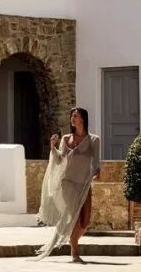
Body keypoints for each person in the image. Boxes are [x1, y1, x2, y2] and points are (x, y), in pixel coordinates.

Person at [33, 107, 101, 263]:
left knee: (85, 222)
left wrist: (97, 172)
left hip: (84, 184)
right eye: (71, 116)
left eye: (75, 116)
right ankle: (75, 253)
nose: (72, 118)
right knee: (74, 217)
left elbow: (96, 161)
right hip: (67, 183)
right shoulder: (66, 139)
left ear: (82, 119)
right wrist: (53, 147)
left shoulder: (93, 140)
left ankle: (72, 240)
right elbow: (60, 160)